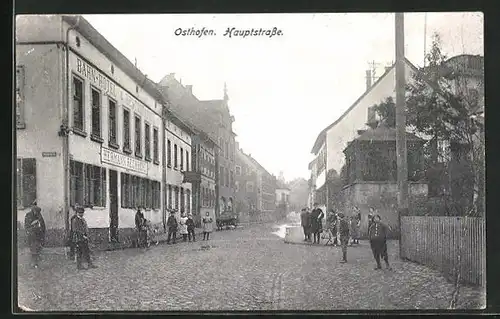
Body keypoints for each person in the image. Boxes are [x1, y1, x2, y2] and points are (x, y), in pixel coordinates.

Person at [24, 202, 46, 269]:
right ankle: (34, 263)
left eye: (38, 212)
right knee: (34, 249)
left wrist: (43, 233)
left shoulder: (39, 215)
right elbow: (27, 226)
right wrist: (32, 228)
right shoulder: (28, 215)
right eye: (36, 212)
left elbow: (43, 225)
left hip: (39, 235)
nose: (37, 213)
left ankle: (36, 261)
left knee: (38, 249)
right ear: (33, 210)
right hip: (32, 236)